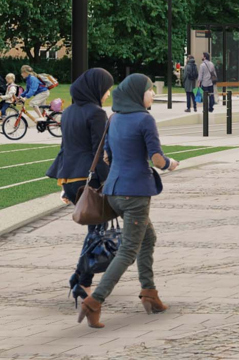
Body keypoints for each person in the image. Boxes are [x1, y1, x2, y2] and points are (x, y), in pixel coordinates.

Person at [77, 74, 177, 329]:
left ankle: (149, 292)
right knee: (128, 250)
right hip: (135, 194)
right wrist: (171, 164)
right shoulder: (145, 119)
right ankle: (94, 301)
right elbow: (156, 158)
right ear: (137, 94)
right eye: (149, 90)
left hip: (114, 191)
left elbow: (108, 158)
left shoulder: (114, 118)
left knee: (148, 238)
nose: (153, 94)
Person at [46, 68, 115, 306]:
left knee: (94, 229)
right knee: (96, 231)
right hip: (90, 179)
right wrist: (111, 180)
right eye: (106, 89)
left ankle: (79, 277)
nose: (107, 94)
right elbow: (99, 151)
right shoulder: (96, 114)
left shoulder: (68, 112)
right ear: (96, 89)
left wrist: (63, 184)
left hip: (71, 177)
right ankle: (82, 281)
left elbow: (65, 148)